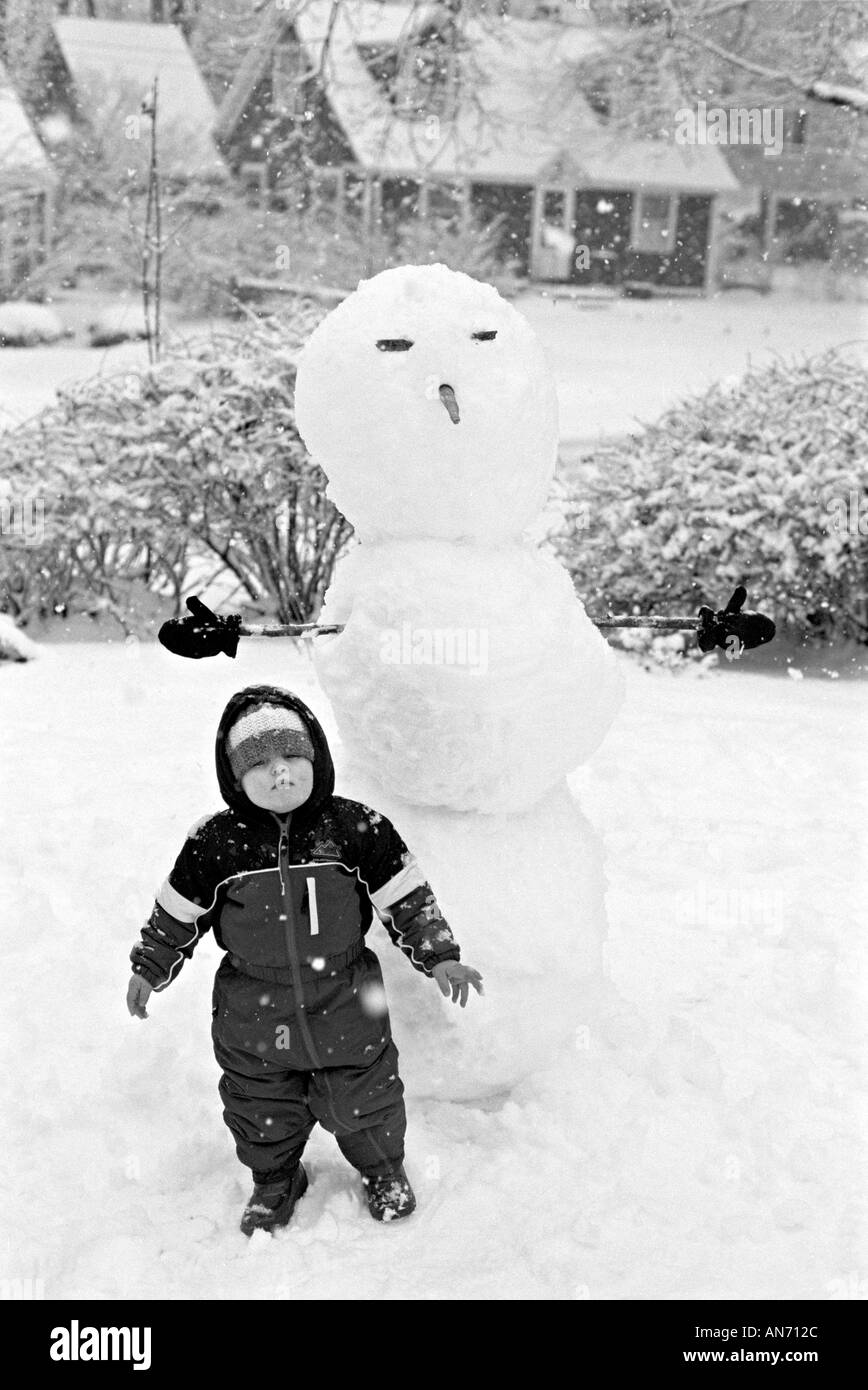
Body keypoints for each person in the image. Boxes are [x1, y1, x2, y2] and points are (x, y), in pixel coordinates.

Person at [126, 684, 482, 1236]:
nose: (281, 773)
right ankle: (275, 1181)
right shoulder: (216, 842)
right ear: (234, 775)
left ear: (316, 757)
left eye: (293, 756)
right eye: (260, 763)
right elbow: (178, 910)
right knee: (258, 1105)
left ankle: (383, 1169)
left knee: (366, 1095)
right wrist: (150, 966)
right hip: (253, 1009)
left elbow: (406, 896)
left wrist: (439, 956)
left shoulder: (356, 828)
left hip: (345, 997)